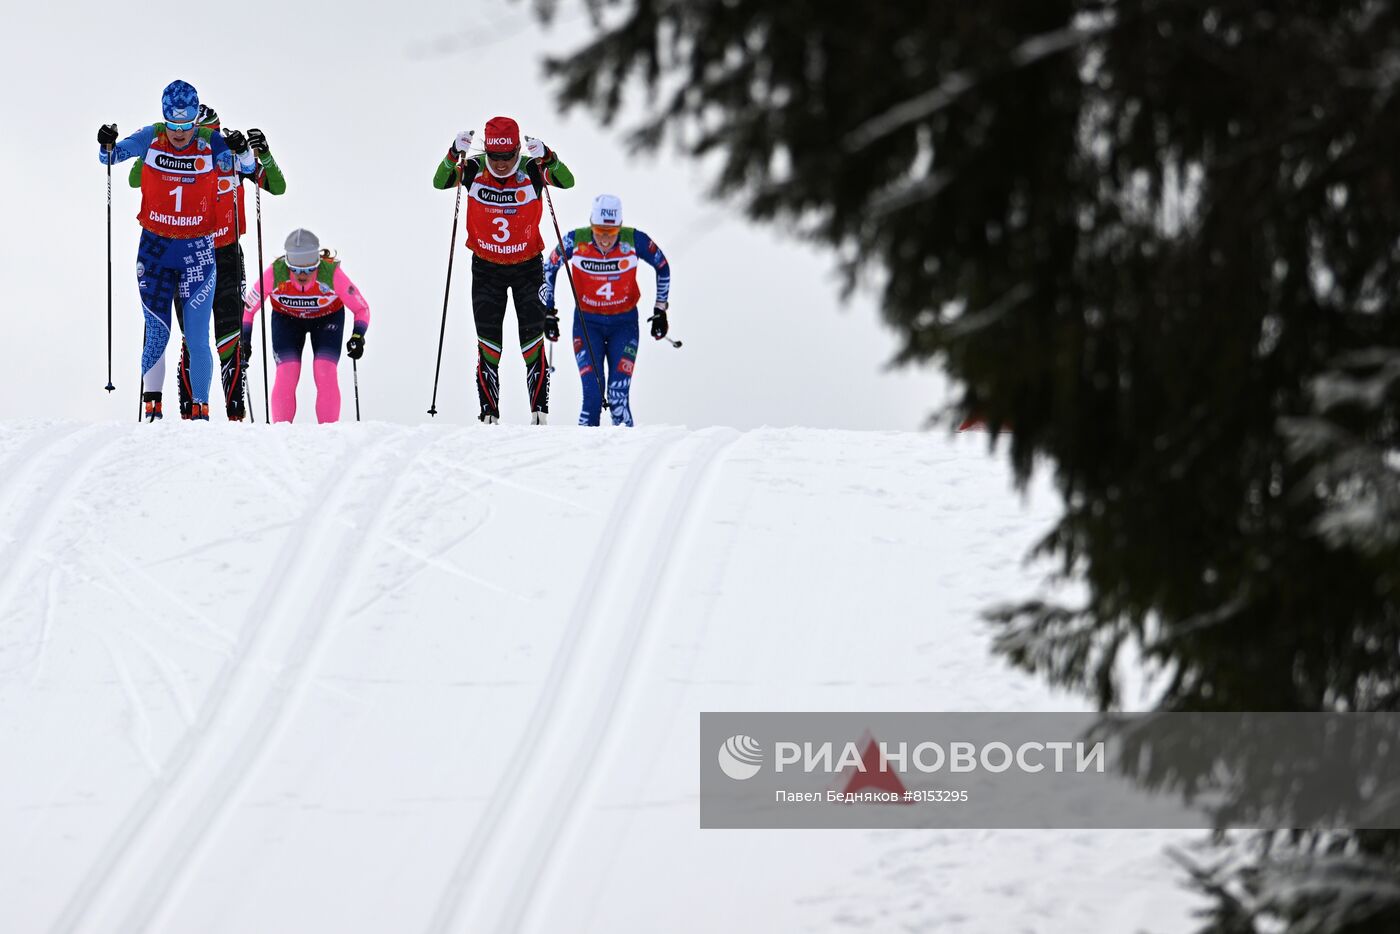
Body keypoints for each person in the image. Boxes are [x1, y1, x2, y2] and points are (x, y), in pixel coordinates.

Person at [97, 79, 255, 421]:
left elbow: (246, 169)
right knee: (157, 328)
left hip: (198, 251)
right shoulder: (152, 136)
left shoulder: (209, 141)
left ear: (195, 120)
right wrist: (106, 142)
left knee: (197, 336)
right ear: (164, 118)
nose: (180, 133)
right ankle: (153, 405)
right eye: (174, 125)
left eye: (186, 125)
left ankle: (201, 407)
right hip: (155, 249)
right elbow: (109, 157)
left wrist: (241, 150)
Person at [127, 105, 288, 420]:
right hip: (186, 254)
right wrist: (145, 148)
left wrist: (262, 153)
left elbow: (277, 187)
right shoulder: (173, 156)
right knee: (191, 333)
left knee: (229, 333)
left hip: (226, 253)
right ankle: (191, 409)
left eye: (210, 135)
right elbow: (136, 180)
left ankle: (235, 410)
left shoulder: (230, 155)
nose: (201, 144)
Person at [433, 116, 574, 424]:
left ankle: (539, 412)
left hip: (527, 269)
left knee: (532, 342)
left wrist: (548, 156)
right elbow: (440, 181)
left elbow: (566, 180)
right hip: (486, 270)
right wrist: (452, 154)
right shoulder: (473, 168)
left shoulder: (531, 169)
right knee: (489, 344)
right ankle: (489, 414)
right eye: (494, 156)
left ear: (516, 150)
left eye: (507, 156)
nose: (499, 164)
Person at [542, 194, 671, 427]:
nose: (603, 239)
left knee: (617, 396)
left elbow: (662, 266)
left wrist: (660, 309)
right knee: (592, 396)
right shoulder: (576, 240)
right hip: (587, 324)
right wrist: (547, 311)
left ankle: (627, 457)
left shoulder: (634, 240)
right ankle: (584, 460)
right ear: (591, 225)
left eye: (610, 233)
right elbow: (549, 267)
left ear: (619, 228)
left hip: (624, 325)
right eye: (599, 231)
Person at [240, 229, 370, 423]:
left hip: (327, 319)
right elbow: (248, 309)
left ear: (318, 263)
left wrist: (358, 336)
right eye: (296, 269)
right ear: (287, 264)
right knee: (287, 371)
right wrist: (245, 341)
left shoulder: (332, 274)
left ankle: (329, 433)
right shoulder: (275, 273)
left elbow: (362, 308)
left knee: (324, 369)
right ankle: (281, 431)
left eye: (310, 269)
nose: (302, 275)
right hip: (287, 320)